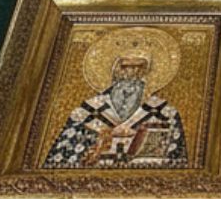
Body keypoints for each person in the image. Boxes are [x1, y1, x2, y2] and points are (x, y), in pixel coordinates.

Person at [45, 51, 187, 168]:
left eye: (139, 68)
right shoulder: (87, 110)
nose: (132, 72)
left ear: (146, 73)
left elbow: (176, 158)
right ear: (116, 71)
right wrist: (106, 135)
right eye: (126, 67)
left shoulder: (163, 111)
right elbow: (63, 154)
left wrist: (140, 136)